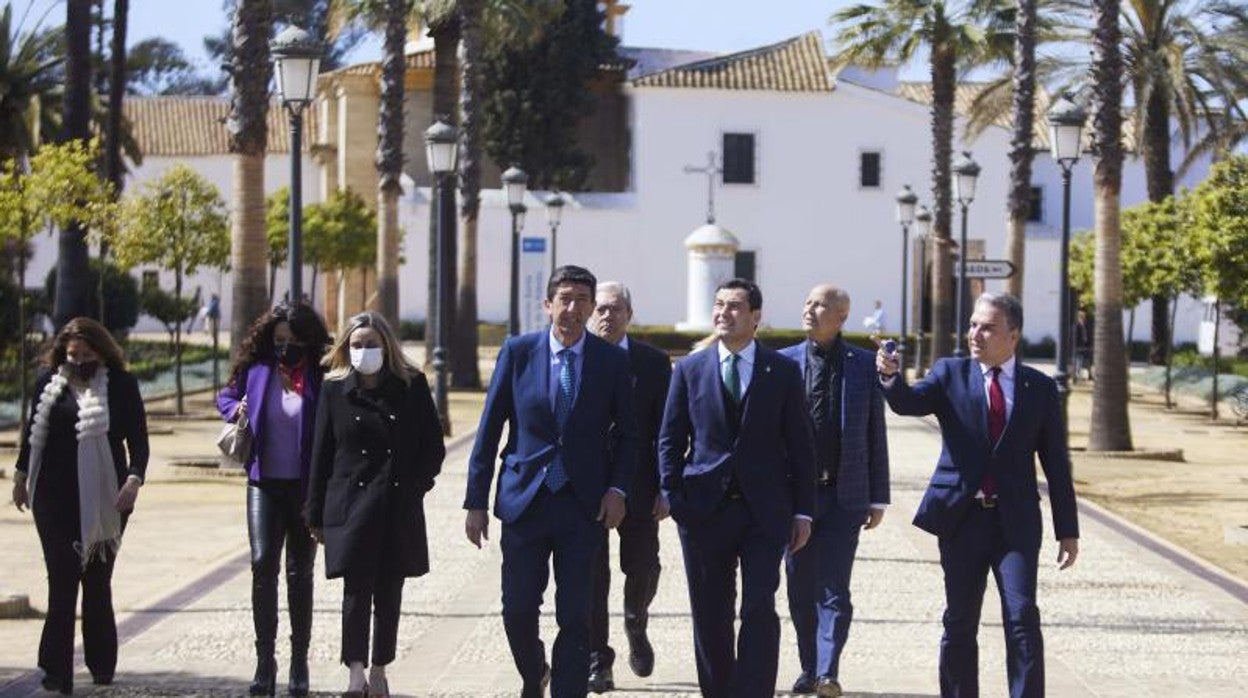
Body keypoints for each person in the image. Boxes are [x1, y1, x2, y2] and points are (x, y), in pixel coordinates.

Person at [876, 292, 1080, 698]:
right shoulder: (950, 373)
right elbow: (907, 403)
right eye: (973, 325)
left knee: (1022, 615)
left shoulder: (1038, 387)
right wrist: (889, 376)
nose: (975, 334)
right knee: (960, 619)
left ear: (1013, 335)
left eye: (987, 327)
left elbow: (1056, 463)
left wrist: (1067, 530)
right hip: (962, 519)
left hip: (1016, 522)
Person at [464, 265, 638, 697]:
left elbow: (632, 436)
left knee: (576, 614)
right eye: (564, 298)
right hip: (525, 500)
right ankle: (534, 670)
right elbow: (489, 429)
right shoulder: (518, 352)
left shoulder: (611, 361)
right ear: (547, 305)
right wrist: (475, 500)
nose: (573, 307)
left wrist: (618, 490)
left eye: (583, 299)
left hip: (583, 505)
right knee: (517, 609)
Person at [658, 278, 816, 698]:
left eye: (734, 307)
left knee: (759, 607)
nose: (723, 314)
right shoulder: (690, 369)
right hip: (703, 510)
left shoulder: (782, 371)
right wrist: (673, 495)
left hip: (764, 511)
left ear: (755, 318)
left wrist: (803, 511)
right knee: (710, 612)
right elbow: (670, 438)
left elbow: (801, 444)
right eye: (719, 305)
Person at [305, 311, 445, 697]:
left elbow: (433, 447)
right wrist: (314, 512)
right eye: (356, 344)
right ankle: (354, 671)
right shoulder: (334, 389)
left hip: (397, 504)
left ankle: (380, 667)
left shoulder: (411, 384)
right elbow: (321, 452)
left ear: (386, 346)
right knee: (355, 589)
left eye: (371, 344)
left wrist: (414, 487)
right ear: (345, 348)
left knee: (388, 590)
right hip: (351, 505)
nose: (364, 350)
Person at [11, 317, 149, 695]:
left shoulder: (121, 385)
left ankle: (101, 662)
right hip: (53, 497)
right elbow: (31, 435)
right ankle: (57, 669)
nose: (79, 361)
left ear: (101, 352)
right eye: (73, 354)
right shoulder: (48, 384)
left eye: (87, 354)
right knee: (62, 576)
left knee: (97, 581)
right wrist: (22, 476)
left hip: (109, 496)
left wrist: (134, 479)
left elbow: (138, 440)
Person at [216, 301, 331, 696]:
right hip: (263, 483)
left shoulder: (320, 374)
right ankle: (265, 661)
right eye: (280, 339)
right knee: (263, 562)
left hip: (305, 488)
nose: (287, 346)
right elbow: (225, 397)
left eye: (295, 339)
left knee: (300, 573)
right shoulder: (257, 370)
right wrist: (236, 411)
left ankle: (299, 662)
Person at [781, 285, 890, 698]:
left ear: (842, 317)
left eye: (820, 305)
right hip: (796, 499)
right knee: (798, 585)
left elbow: (874, 433)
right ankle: (808, 666)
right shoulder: (783, 363)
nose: (810, 309)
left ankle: (828, 671)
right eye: (807, 302)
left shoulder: (862, 365)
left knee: (835, 587)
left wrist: (878, 496)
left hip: (845, 496)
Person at [586, 281, 672, 693]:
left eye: (616, 308)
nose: (607, 315)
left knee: (643, 567)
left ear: (629, 315)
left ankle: (636, 620)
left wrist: (666, 486)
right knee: (589, 577)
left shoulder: (654, 364)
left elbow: (668, 431)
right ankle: (597, 660)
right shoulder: (576, 357)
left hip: (640, 485)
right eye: (600, 308)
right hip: (587, 486)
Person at [1072, 308, 1092, 383]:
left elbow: (1088, 336)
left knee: (1088, 361)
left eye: (1084, 316)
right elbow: (1075, 338)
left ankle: (1090, 375)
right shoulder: (1077, 326)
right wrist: (1077, 347)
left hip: (1085, 346)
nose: (1084, 318)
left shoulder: (1086, 325)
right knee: (1079, 361)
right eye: (1082, 316)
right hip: (1079, 347)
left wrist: (1089, 345)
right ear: (1079, 317)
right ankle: (1077, 376)